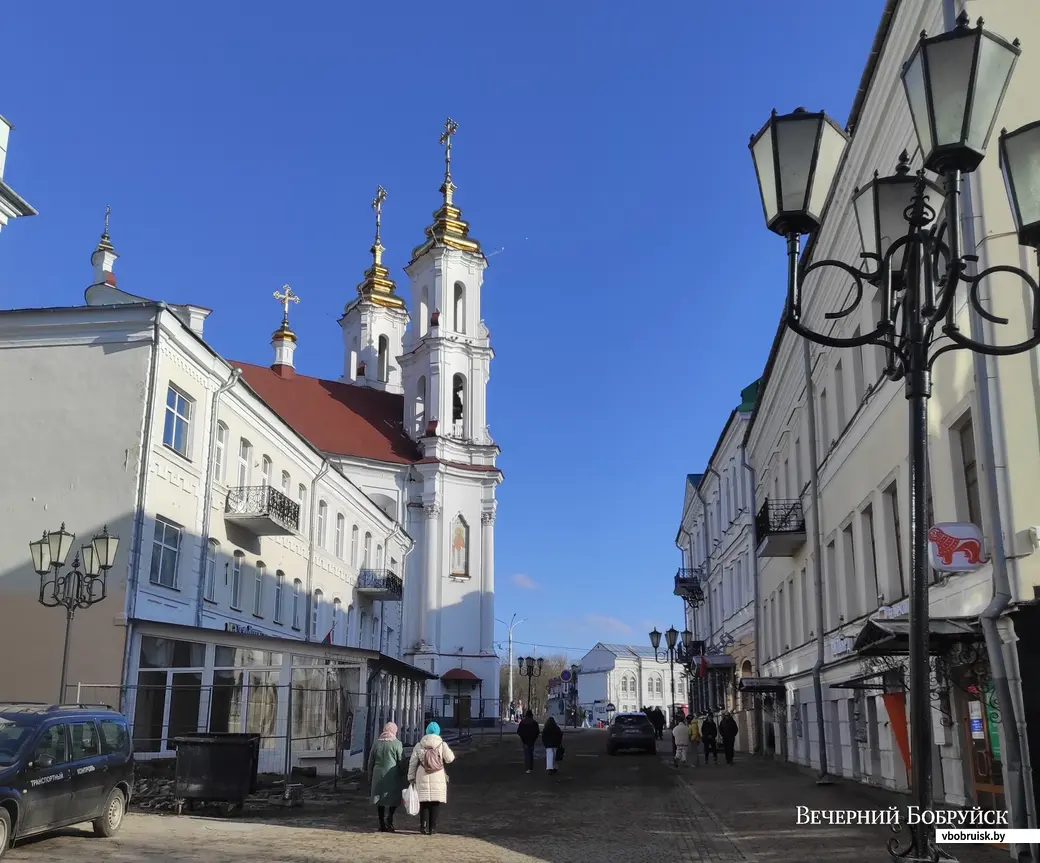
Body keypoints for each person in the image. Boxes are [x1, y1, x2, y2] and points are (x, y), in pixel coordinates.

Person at [407, 721, 455, 835]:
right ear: (438, 732)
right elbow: (450, 758)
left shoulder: (419, 745)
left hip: (422, 774)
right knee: (435, 802)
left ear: (426, 731)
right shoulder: (442, 744)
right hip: (437, 775)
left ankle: (423, 826)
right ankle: (432, 828)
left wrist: (411, 776)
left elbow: (412, 762)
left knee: (423, 802)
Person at [368, 721, 403, 832]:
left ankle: (381, 823)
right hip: (392, 774)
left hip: (377, 774)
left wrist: (370, 776)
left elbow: (370, 761)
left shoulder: (376, 743)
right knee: (394, 798)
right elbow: (401, 760)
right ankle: (390, 819)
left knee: (380, 800)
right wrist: (403, 774)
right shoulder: (397, 744)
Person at [516, 709, 540, 774]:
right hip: (531, 741)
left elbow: (519, 732)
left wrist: (523, 738)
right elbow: (537, 732)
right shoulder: (534, 723)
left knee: (526, 754)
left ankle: (527, 768)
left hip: (525, 741)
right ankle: (531, 767)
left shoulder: (523, 722)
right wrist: (534, 739)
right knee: (531, 754)